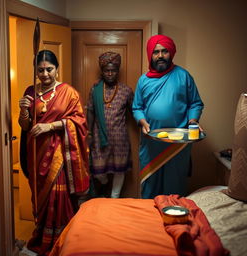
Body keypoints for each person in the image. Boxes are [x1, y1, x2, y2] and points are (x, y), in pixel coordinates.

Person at [18, 50, 90, 255]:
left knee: (58, 197)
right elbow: (25, 126)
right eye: (40, 70)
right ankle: (42, 237)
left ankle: (63, 238)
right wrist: (23, 110)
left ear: (57, 69)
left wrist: (50, 127)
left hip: (59, 154)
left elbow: (80, 122)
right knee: (40, 196)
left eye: (49, 69)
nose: (45, 74)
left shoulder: (68, 92)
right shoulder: (30, 91)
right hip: (36, 152)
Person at [132, 34, 204, 199]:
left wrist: (193, 121)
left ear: (171, 53)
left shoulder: (183, 76)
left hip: (177, 145)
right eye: (156, 52)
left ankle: (175, 222)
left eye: (164, 51)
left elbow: (195, 103)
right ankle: (150, 222)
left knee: (174, 187)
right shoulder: (143, 81)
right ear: (151, 55)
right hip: (151, 143)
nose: (160, 56)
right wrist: (142, 121)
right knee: (150, 187)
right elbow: (137, 107)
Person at [87, 51, 134, 198]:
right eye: (107, 70)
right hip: (98, 137)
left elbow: (135, 110)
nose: (110, 74)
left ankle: (114, 197)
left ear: (117, 71)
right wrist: (88, 133)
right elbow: (90, 112)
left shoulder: (126, 90)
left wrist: (145, 123)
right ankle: (105, 181)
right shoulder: (95, 90)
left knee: (120, 170)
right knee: (98, 171)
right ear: (102, 71)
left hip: (120, 138)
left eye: (113, 70)